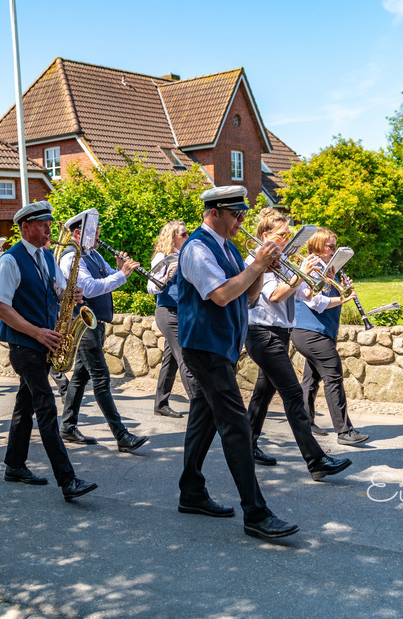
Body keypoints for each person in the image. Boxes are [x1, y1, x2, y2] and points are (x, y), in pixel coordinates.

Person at [176, 185, 299, 541]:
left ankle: (191, 492)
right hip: (205, 347)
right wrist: (258, 263)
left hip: (222, 347)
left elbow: (249, 295)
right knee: (236, 426)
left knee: (204, 419)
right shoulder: (197, 248)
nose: (241, 220)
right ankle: (255, 513)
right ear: (214, 212)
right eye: (236, 214)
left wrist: (261, 270)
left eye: (243, 214)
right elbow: (221, 294)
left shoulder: (227, 247)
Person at [0, 200, 97, 501]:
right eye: (43, 225)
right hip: (25, 345)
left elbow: (58, 291)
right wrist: (37, 331)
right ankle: (68, 481)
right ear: (26, 228)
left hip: (44, 342)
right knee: (46, 409)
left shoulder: (48, 257)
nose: (49, 229)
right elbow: (0, 307)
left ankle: (14, 465)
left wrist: (71, 295)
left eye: (50, 224)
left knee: (24, 408)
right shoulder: (10, 261)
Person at [244, 208, 353, 481]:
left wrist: (314, 278)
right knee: (293, 397)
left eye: (288, 235)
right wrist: (300, 275)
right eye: (282, 236)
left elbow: (304, 294)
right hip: (263, 333)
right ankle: (316, 461)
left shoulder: (281, 261)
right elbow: (277, 296)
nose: (287, 240)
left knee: (263, 394)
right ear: (266, 235)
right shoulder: (257, 259)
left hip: (279, 333)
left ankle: (246, 446)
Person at [59, 209, 147, 452]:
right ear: (79, 233)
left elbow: (108, 276)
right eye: (95, 232)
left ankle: (67, 426)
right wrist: (121, 275)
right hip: (84, 324)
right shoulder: (70, 258)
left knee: (80, 377)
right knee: (101, 378)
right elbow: (88, 288)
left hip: (95, 325)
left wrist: (119, 269)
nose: (99, 236)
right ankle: (121, 435)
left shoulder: (93, 254)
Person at [291, 228, 367, 445]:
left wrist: (341, 288)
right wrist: (344, 298)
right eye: (330, 246)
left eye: (335, 246)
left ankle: (305, 421)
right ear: (317, 246)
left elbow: (325, 295)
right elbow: (316, 303)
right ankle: (344, 431)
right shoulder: (313, 268)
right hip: (311, 333)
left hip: (318, 331)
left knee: (311, 378)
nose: (334, 250)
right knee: (333, 377)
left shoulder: (326, 269)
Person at [147, 220, 194, 418]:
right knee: (185, 357)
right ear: (172, 237)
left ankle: (160, 403)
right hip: (167, 311)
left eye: (187, 233)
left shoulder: (187, 255)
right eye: (183, 234)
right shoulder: (162, 257)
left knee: (171, 360)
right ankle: (200, 402)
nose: (187, 236)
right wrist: (165, 276)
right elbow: (151, 288)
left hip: (183, 312)